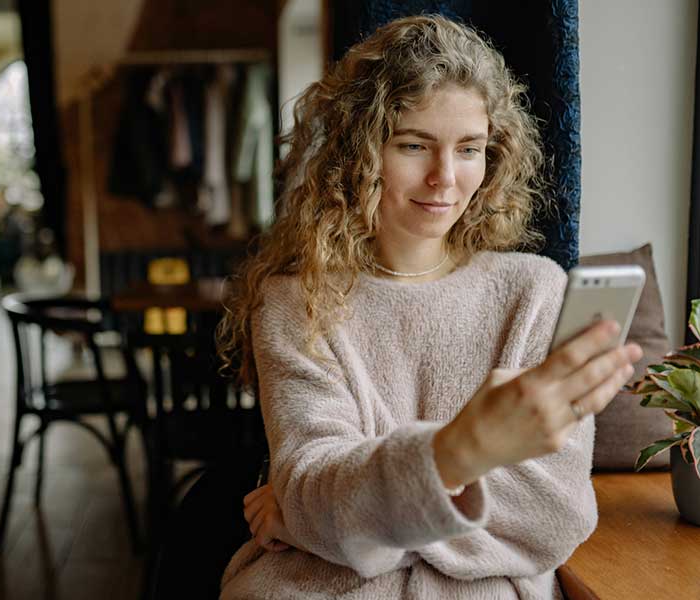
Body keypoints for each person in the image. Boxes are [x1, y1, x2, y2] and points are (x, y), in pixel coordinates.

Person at [215, 14, 643, 600]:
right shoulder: (296, 301)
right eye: (414, 145)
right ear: (357, 151)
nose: (445, 178)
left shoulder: (533, 292)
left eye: (469, 148)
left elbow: (557, 517)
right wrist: (465, 456)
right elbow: (312, 489)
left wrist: (338, 523)